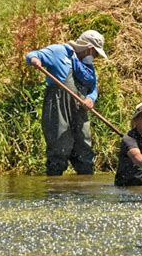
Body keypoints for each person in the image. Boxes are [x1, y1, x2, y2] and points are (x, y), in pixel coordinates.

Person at [25, 30, 107, 176]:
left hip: (79, 111)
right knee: (59, 148)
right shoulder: (59, 52)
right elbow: (32, 55)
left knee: (84, 150)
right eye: (95, 53)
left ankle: (84, 191)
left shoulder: (88, 68)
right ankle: (55, 191)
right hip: (58, 107)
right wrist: (35, 60)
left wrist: (90, 99)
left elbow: (93, 88)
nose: (95, 57)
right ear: (88, 48)